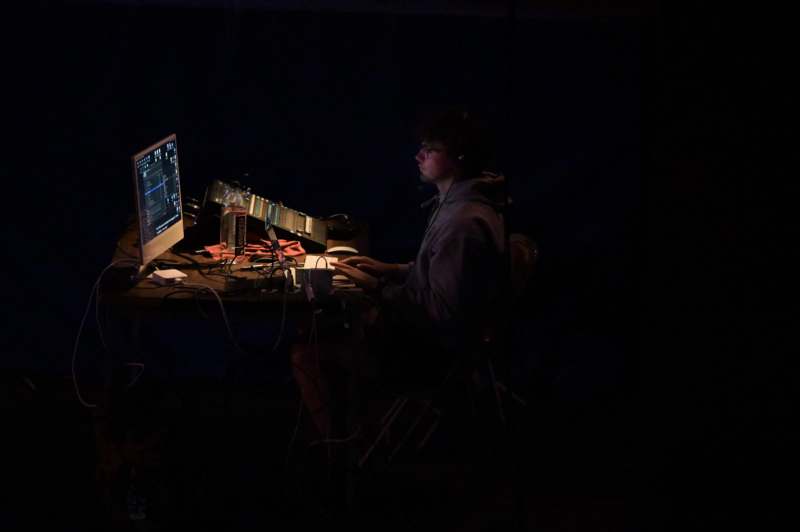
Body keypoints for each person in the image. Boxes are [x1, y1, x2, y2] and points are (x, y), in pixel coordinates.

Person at [290, 108, 506, 442]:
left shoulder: (462, 224)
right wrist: (391, 269)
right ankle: (360, 431)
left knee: (308, 351)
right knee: (320, 327)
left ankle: (342, 454)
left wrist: (376, 287)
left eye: (430, 149)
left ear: (458, 157)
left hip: (428, 357)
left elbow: (439, 311)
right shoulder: (460, 204)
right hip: (429, 342)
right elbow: (443, 275)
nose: (418, 155)